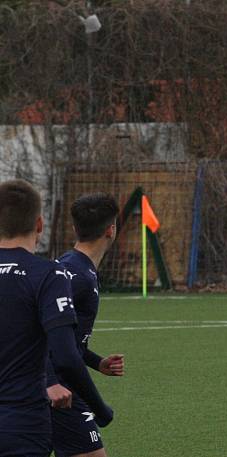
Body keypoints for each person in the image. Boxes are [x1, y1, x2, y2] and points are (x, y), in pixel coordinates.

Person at [0, 180, 113, 457]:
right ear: (39, 225)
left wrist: (97, 362)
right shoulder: (51, 274)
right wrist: (100, 408)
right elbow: (64, 355)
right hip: (22, 419)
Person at [47, 193, 124, 457]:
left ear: (74, 229)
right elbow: (43, 334)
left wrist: (95, 361)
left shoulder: (70, 266)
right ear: (111, 230)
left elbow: (63, 334)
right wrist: (99, 407)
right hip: (59, 388)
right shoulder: (78, 276)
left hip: (51, 381)